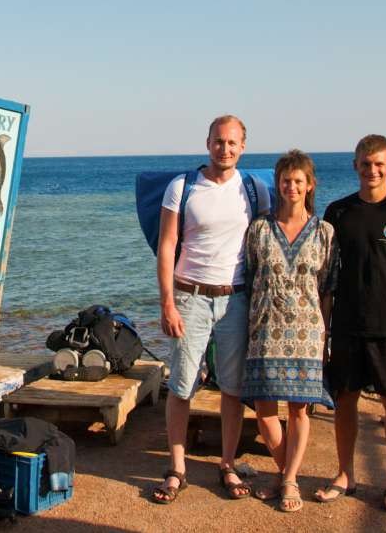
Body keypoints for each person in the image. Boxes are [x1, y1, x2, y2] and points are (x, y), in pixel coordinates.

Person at [151, 115, 270, 504]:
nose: (226, 149)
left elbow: (265, 243)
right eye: (219, 141)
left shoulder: (254, 190)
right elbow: (167, 245)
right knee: (182, 385)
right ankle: (177, 468)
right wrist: (167, 301)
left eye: (233, 143)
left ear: (243, 146)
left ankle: (229, 465)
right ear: (208, 143)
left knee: (233, 390)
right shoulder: (182, 187)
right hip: (190, 297)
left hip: (236, 299)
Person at [316, 135, 386, 512]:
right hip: (348, 323)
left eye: (379, 163)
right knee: (345, 399)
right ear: (355, 166)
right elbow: (327, 270)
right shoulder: (338, 212)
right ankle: (344, 474)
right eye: (365, 164)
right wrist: (325, 323)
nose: (372, 170)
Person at [241, 150, 337, 512]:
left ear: (309, 185)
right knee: (264, 411)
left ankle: (289, 480)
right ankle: (288, 476)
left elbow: (326, 287)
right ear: (277, 184)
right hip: (265, 329)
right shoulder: (260, 229)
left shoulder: (324, 231)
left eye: (299, 180)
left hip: (307, 331)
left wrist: (325, 333)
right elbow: (250, 277)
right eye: (285, 180)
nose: (291, 186)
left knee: (299, 411)